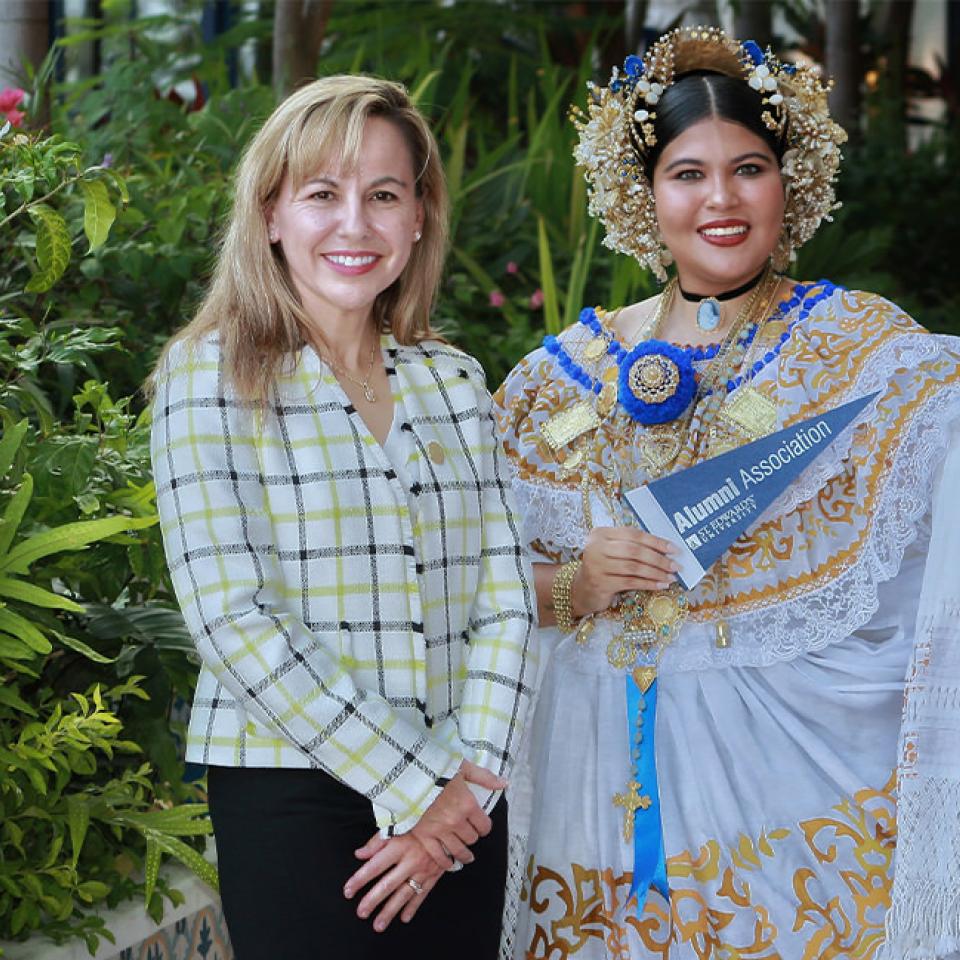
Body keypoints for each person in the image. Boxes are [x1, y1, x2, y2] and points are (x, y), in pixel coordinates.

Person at [493, 26, 960, 960]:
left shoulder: (862, 350)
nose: (721, 199)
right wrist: (573, 587)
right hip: (588, 782)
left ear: (791, 184)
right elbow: (470, 586)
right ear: (643, 192)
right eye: (686, 173)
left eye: (749, 168)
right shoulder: (554, 378)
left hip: (783, 780)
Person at [148, 75, 537, 959]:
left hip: (465, 795)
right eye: (322, 194)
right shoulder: (207, 378)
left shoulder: (454, 382)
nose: (355, 224)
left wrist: (467, 788)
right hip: (294, 792)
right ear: (272, 214)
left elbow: (507, 602)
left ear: (419, 217)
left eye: (384, 195)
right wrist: (417, 788)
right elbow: (231, 618)